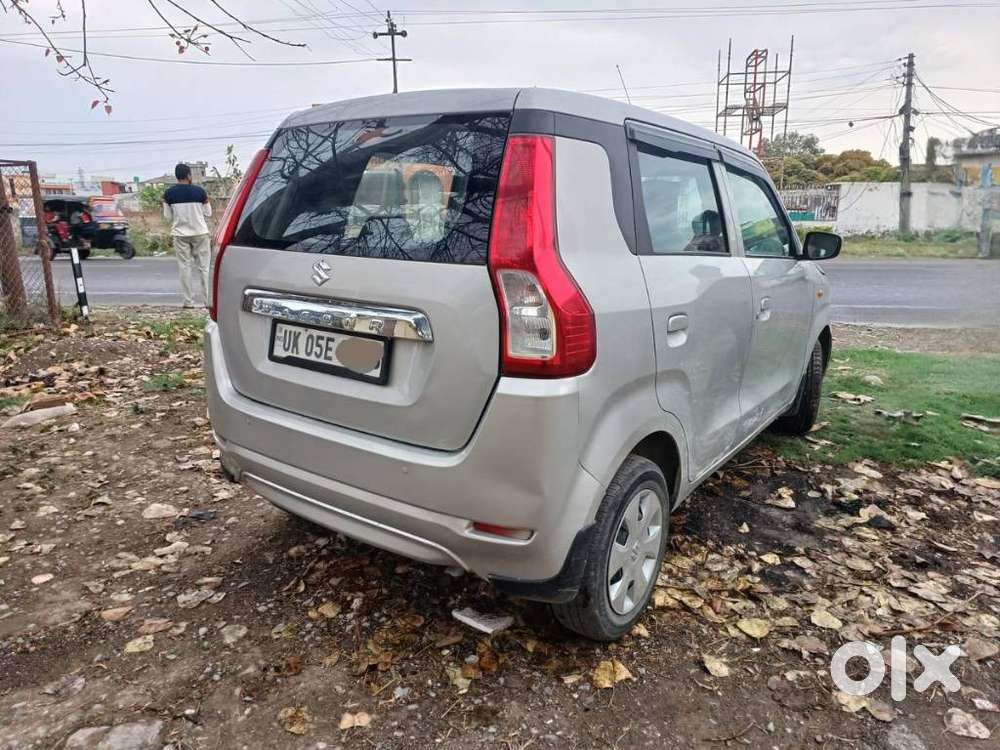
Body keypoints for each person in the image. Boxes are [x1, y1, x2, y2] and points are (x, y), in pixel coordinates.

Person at [163, 163, 212, 309]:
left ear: (177, 176)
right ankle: (208, 302)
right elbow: (208, 213)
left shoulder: (168, 194)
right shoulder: (200, 192)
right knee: (204, 268)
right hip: (200, 233)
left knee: (185, 267)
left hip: (180, 234)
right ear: (189, 175)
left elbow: (167, 216)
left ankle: (188, 302)